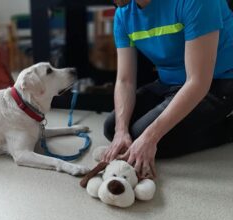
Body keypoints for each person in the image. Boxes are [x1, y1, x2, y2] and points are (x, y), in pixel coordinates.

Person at [97, 0, 233, 179]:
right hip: (168, 83)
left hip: (219, 82)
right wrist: (120, 131)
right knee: (112, 127)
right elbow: (125, 81)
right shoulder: (123, 14)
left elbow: (198, 82)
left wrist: (149, 138)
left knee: (146, 138)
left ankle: (228, 129)